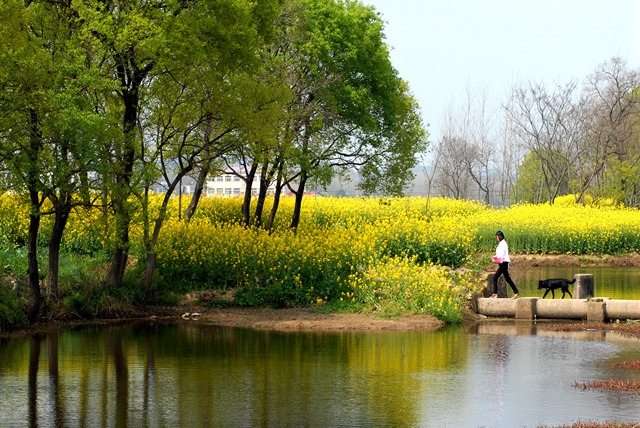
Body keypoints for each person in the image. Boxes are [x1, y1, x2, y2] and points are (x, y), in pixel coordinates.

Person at [490, 230, 519, 299]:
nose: (496, 238)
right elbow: (500, 253)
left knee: (495, 277)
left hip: (503, 263)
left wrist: (497, 258)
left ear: (499, 237)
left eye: (497, 237)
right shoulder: (502, 243)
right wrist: (496, 256)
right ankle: (516, 292)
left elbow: (502, 254)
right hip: (503, 262)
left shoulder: (503, 244)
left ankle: (495, 294)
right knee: (507, 279)